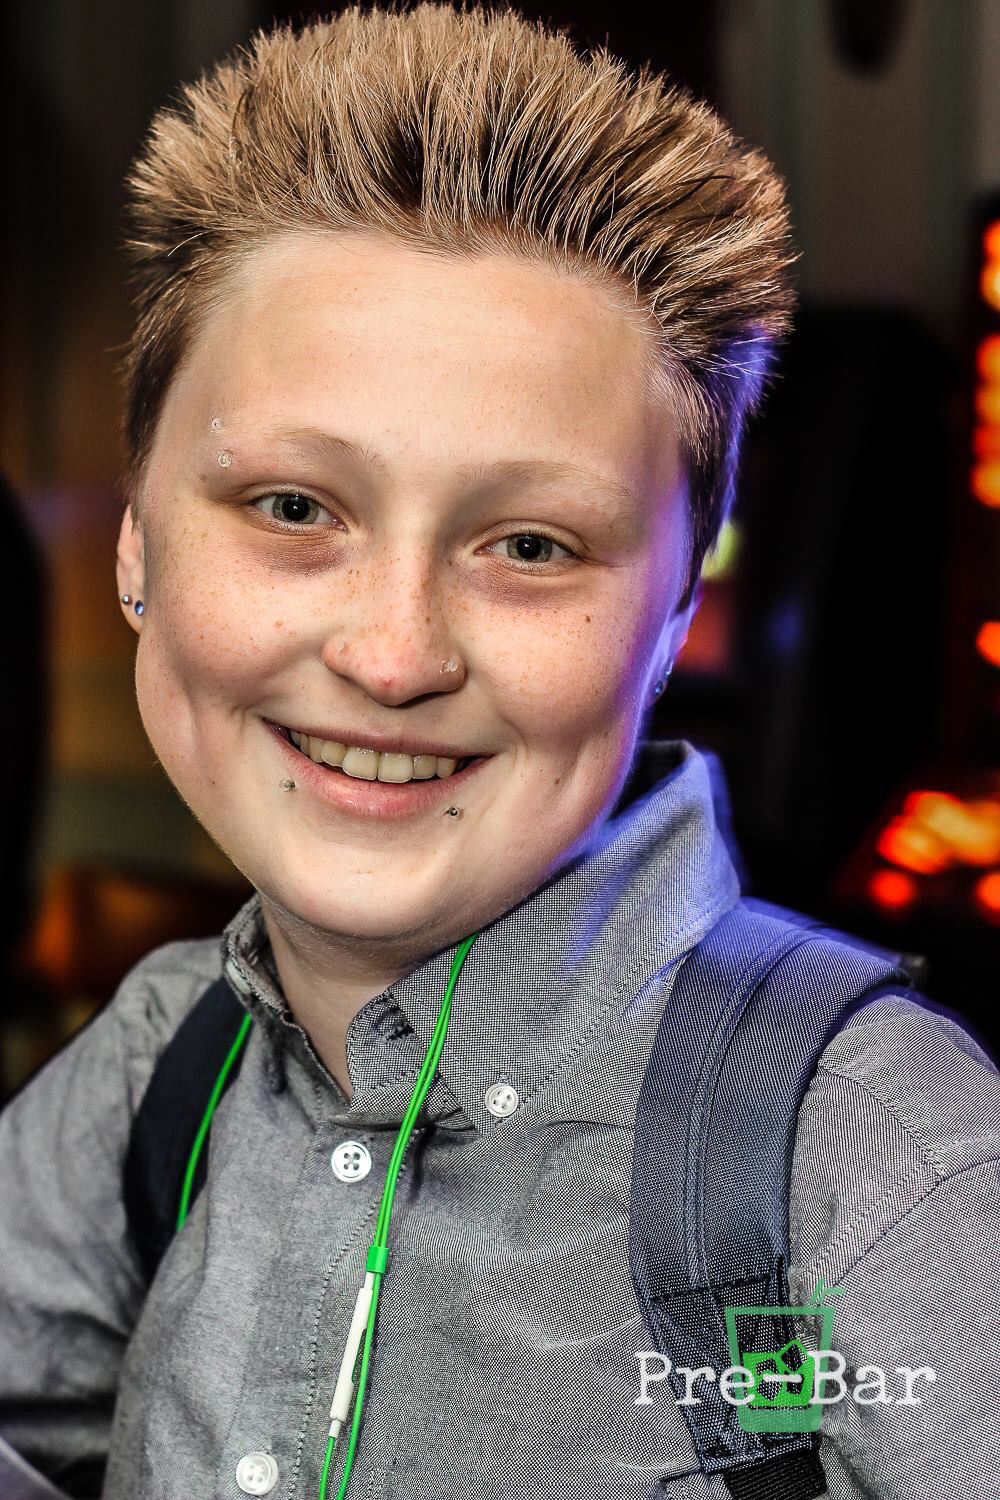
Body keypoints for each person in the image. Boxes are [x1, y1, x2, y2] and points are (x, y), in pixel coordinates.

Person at [2, 5, 998, 1498]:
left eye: (531, 545)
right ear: (138, 544)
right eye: (293, 508)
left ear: (676, 614)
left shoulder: (877, 1160)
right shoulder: (163, 1064)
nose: (394, 655)